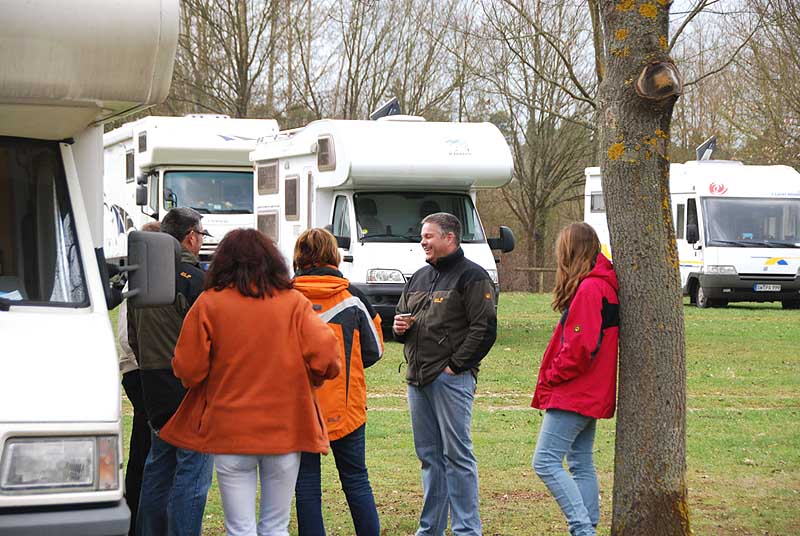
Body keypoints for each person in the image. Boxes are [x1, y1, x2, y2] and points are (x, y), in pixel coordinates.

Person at [158, 228, 341, 536]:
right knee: (276, 526)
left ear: (222, 263)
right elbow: (328, 358)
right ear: (272, 261)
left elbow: (188, 370)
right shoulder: (293, 302)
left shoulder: (209, 303)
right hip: (285, 429)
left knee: (239, 528)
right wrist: (311, 379)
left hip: (230, 430)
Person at [393, 212, 498, 536]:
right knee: (429, 458)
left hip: (450, 380)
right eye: (422, 236)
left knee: (457, 456)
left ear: (449, 238)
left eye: (428, 236)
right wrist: (399, 328)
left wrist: (455, 367)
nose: (423, 241)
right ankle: (430, 530)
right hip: (418, 379)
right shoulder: (419, 277)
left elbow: (485, 329)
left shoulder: (473, 277)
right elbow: (401, 316)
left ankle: (467, 529)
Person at [291, 228, 384, 536]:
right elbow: (375, 350)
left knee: (305, 483)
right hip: (347, 409)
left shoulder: (284, 299)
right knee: (356, 478)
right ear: (334, 255)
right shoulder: (354, 300)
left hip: (298, 409)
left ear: (299, 257)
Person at [128, 207, 214, 536]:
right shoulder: (195, 278)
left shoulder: (143, 276)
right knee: (192, 471)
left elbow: (133, 335)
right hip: (187, 385)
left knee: (158, 467)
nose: (201, 241)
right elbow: (210, 337)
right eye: (201, 235)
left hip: (151, 380)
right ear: (190, 236)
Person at [531, 222, 619, 536]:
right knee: (580, 461)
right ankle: (587, 526)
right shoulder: (601, 284)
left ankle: (582, 529)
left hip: (576, 391)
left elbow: (581, 347)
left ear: (571, 251)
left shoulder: (591, 288)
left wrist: (553, 376)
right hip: (590, 389)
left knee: (545, 461)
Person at [117, 220, 160, 536]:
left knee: (143, 444)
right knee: (147, 446)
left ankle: (135, 515)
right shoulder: (145, 280)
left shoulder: (139, 276)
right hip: (141, 371)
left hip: (135, 369)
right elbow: (127, 337)